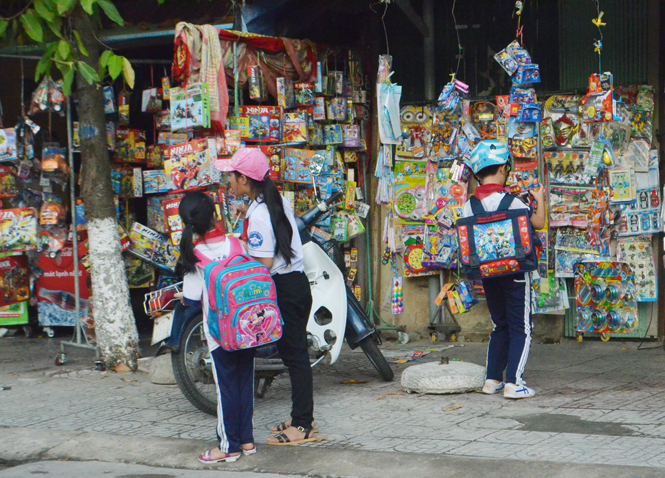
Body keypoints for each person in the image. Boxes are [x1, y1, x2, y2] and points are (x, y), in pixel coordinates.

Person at [216, 148, 317, 446]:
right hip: (296, 285)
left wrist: (239, 254)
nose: (229, 182)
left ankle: (303, 425)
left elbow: (265, 265)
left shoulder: (261, 213)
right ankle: (302, 416)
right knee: (293, 354)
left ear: (245, 180)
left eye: (232, 177)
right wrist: (249, 216)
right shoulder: (275, 201)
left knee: (295, 356)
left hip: (284, 290)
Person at [178, 191, 257, 463]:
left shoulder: (194, 255)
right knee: (245, 384)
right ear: (215, 216)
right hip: (248, 329)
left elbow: (190, 299)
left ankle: (228, 447)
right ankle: (246, 440)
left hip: (219, 334)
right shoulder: (237, 245)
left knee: (226, 390)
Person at [463, 140, 545, 399]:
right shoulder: (513, 202)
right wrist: (540, 199)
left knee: (500, 325)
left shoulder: (469, 205)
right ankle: (514, 382)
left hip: (488, 275)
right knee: (522, 326)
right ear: (502, 169)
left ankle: (492, 379)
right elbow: (539, 223)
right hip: (515, 273)